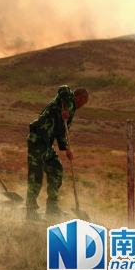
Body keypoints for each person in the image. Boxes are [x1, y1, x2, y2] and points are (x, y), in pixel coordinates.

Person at [26, 86, 89, 221]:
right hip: (38, 139)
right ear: (82, 98)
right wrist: (65, 108)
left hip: (47, 144)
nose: (83, 106)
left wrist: (67, 148)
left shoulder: (71, 112)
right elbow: (64, 88)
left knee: (57, 169)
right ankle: (31, 211)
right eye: (85, 103)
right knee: (36, 176)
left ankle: (52, 207)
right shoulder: (65, 98)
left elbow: (61, 133)